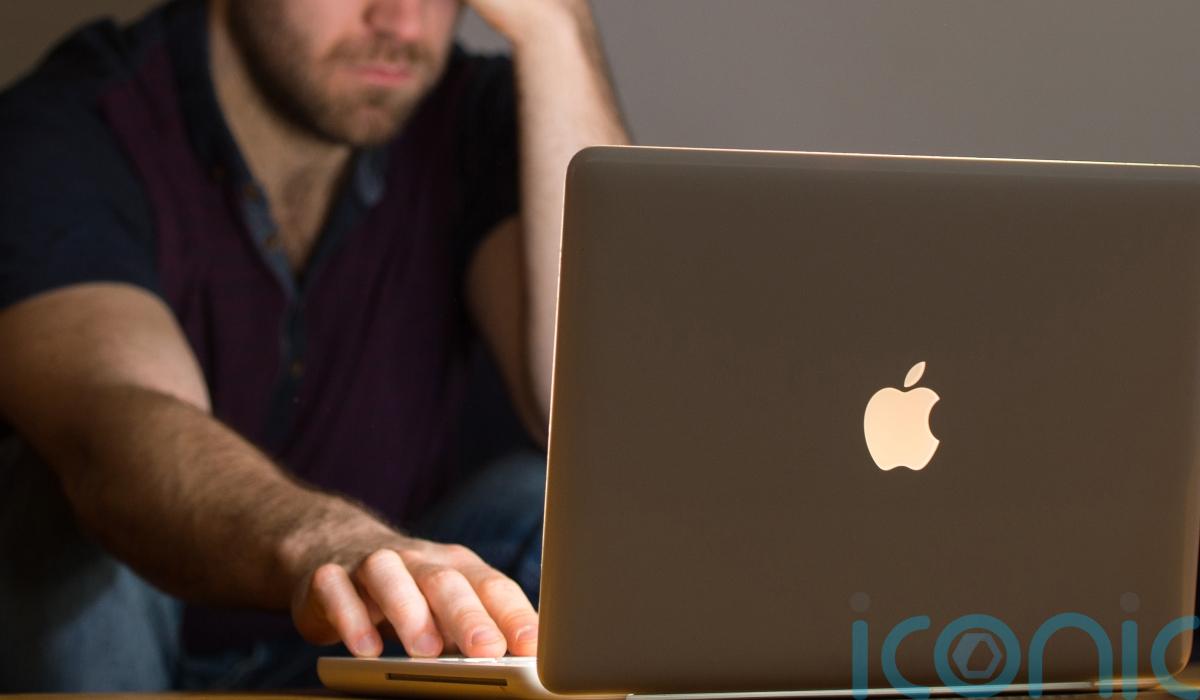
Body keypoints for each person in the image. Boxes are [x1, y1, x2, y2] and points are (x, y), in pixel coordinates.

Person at [0, 0, 629, 691]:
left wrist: (554, 29)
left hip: (362, 646)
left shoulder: (472, 120)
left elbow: (608, 431)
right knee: (68, 512)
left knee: (558, 505)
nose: (401, 22)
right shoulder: (70, 129)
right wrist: (334, 546)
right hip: (122, 647)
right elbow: (116, 421)